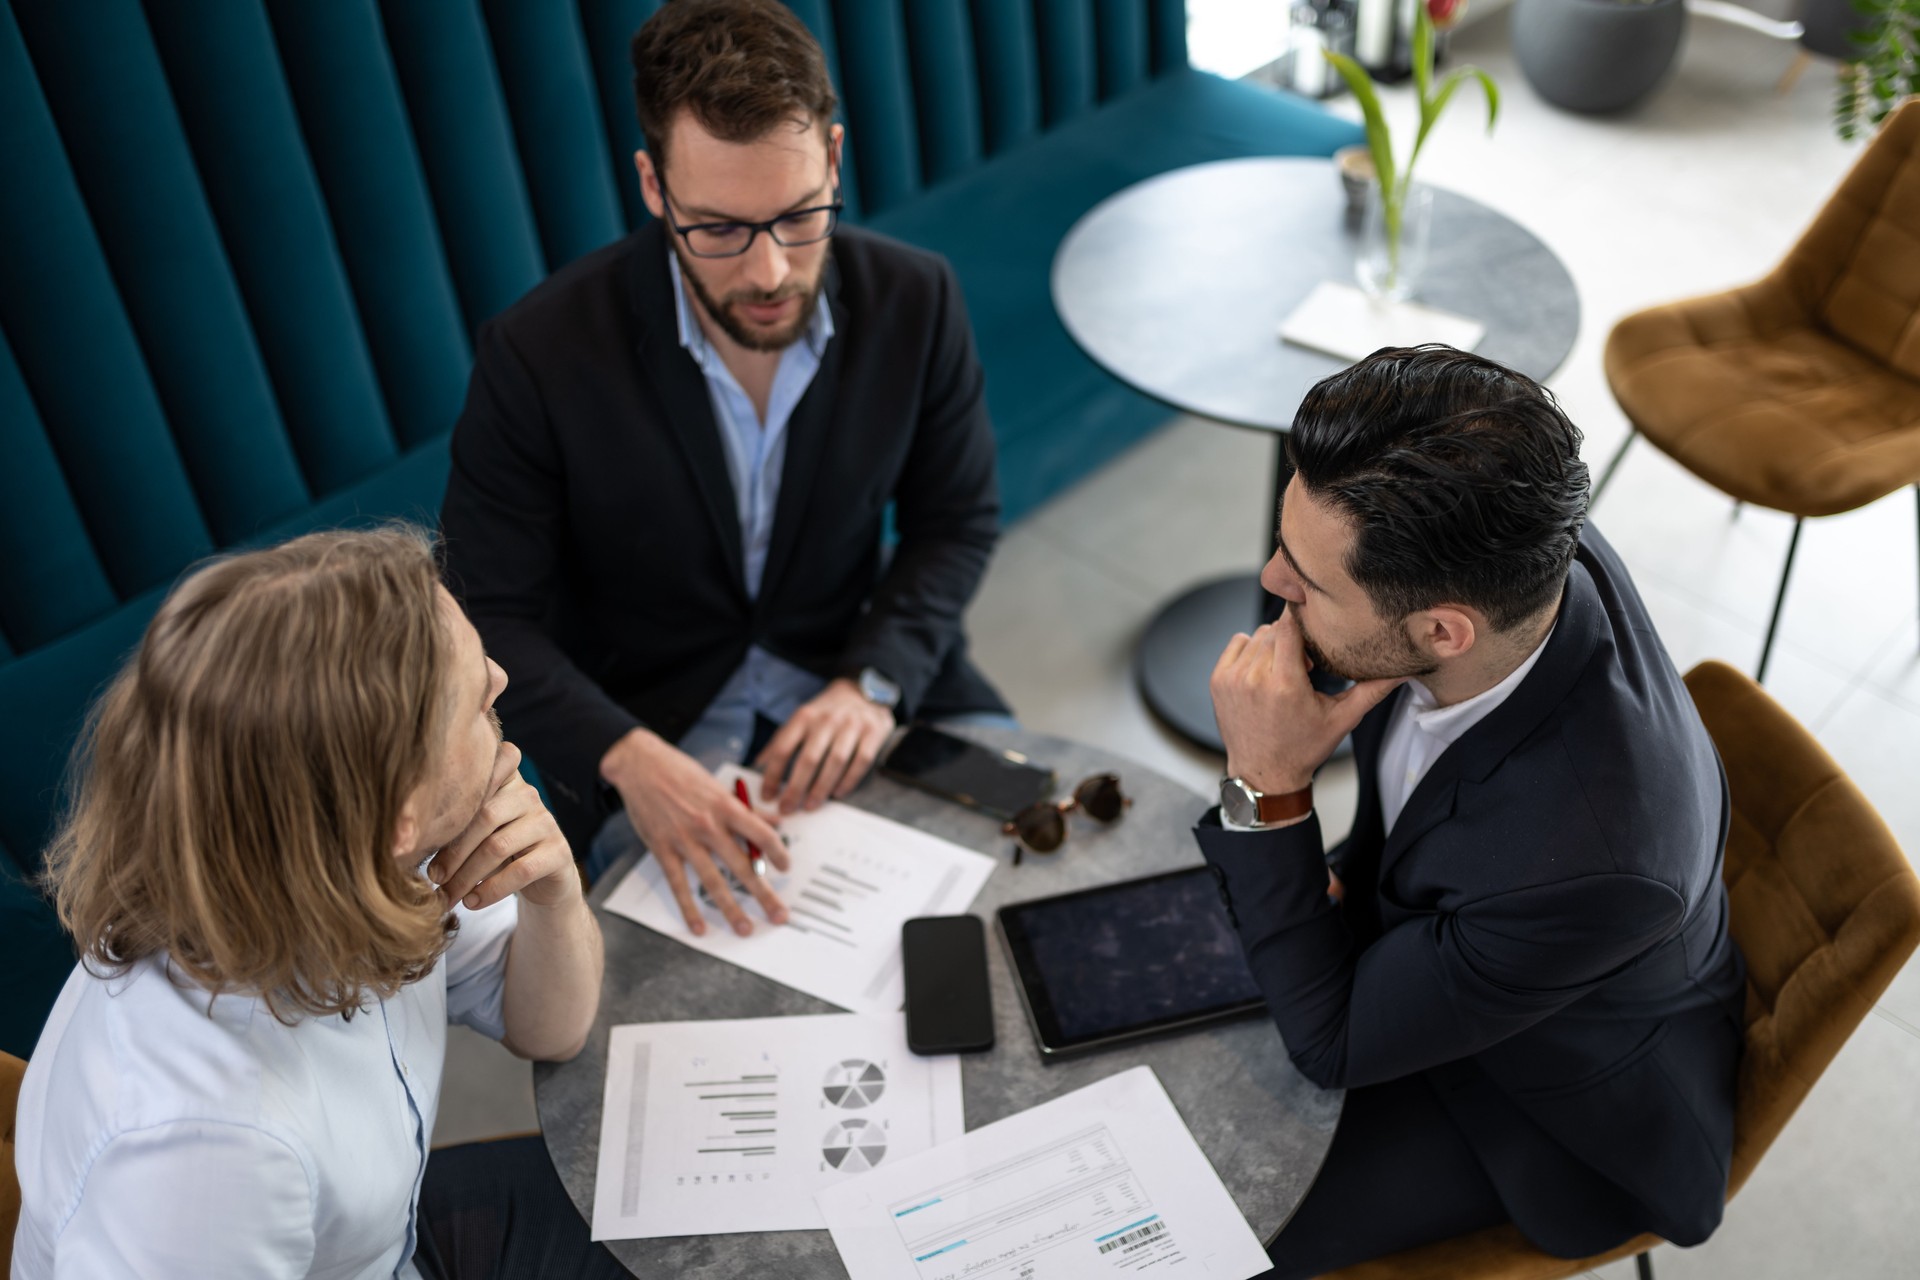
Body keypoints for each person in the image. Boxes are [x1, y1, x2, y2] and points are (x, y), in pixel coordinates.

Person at [440, 0, 1008, 939]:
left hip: (851, 673)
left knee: (1020, 895)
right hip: (645, 729)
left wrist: (871, 682)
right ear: (653, 186)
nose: (771, 271)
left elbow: (957, 520)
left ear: (833, 155)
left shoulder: (918, 298)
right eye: (720, 229)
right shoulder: (538, 353)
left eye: (799, 217)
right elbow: (485, 612)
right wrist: (622, 754)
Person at [1198, 346, 1746, 1276]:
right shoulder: (1510, 538)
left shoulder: (1593, 861)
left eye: (1307, 575)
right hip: (1435, 935)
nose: (1272, 579)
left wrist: (1270, 787)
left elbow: (1330, 1046)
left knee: (1209, 1230)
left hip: (1536, 1109)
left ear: (1441, 631)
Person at [11, 527, 622, 1280]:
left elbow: (552, 1028)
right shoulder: (205, 1153)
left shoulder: (346, 853)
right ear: (399, 805)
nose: (499, 678)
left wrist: (552, 894)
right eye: (469, 697)